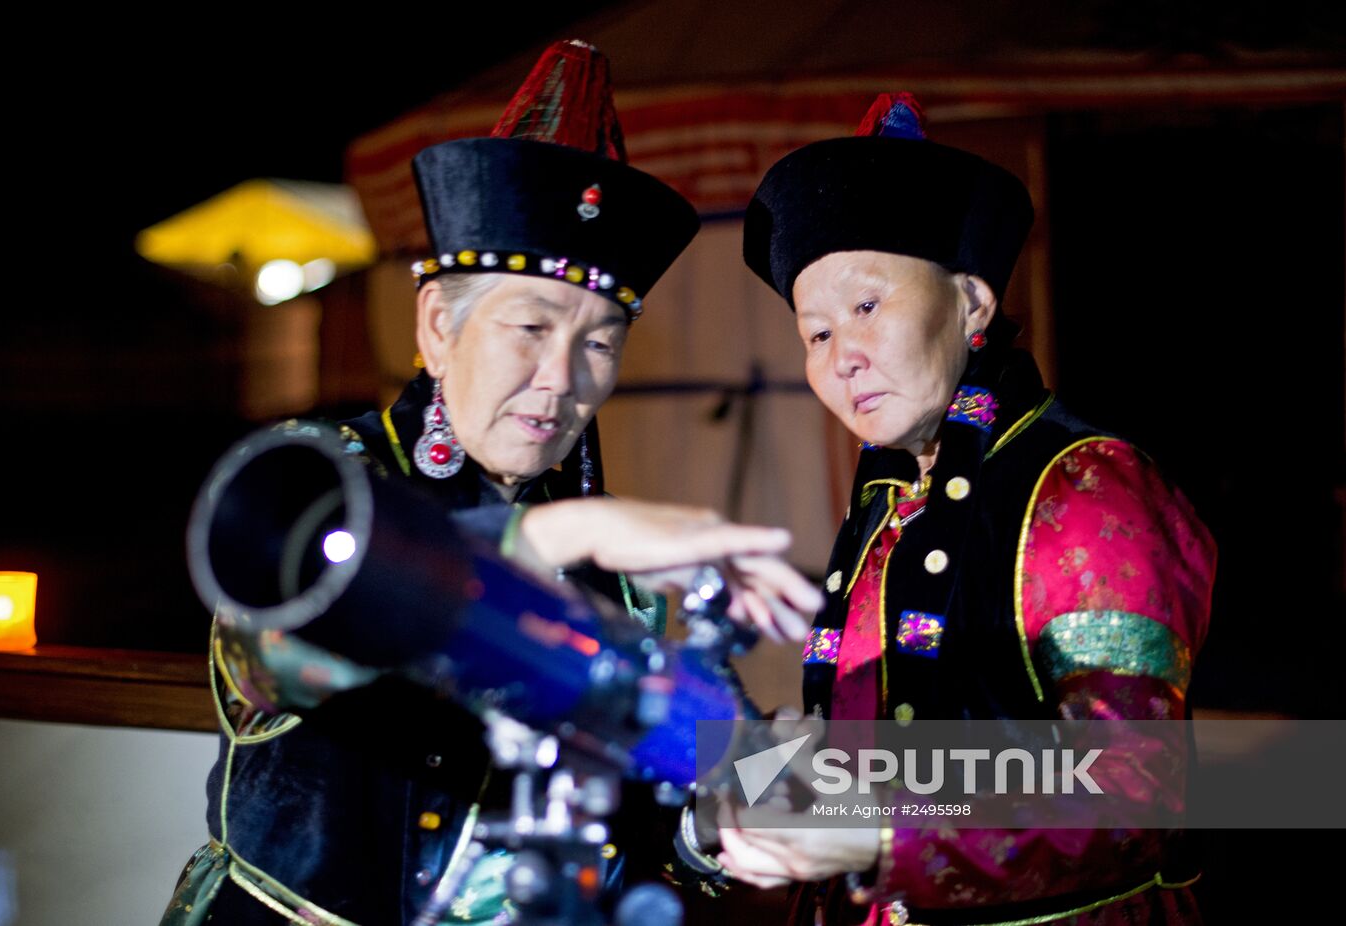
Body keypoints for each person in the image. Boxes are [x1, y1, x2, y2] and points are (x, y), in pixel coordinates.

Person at [161, 41, 819, 926]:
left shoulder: (621, 577)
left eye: (598, 343)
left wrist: (749, 810)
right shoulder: (320, 481)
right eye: (530, 326)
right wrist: (545, 542)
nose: (561, 378)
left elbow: (665, 803)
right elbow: (282, 650)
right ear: (438, 327)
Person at [707, 92, 1216, 925]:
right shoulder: (894, 494)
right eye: (817, 333)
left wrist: (881, 838)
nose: (844, 359)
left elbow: (1136, 791)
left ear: (972, 305)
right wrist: (753, 778)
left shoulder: (1085, 491)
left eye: (868, 307)